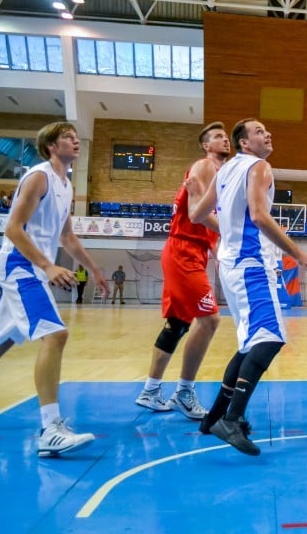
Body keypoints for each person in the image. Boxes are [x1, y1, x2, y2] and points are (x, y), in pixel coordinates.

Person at [188, 118, 307, 455]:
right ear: (244, 143)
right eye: (260, 131)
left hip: (231, 265)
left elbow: (196, 215)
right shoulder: (259, 166)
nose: (268, 134)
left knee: (250, 344)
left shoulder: (225, 171)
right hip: (251, 265)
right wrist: (298, 252)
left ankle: (215, 416)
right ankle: (232, 419)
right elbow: (260, 216)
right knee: (270, 338)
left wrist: (196, 196)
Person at [0, 121, 109, 457]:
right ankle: (49, 429)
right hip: (20, 266)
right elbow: (13, 229)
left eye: (76, 137)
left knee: (0, 342)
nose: (75, 141)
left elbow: (67, 236)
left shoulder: (65, 184)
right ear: (51, 146)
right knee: (55, 335)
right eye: (68, 138)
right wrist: (47, 265)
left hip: (32, 268)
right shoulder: (39, 177)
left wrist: (94, 269)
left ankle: (51, 426)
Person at [134, 122, 231, 420]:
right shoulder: (204, 166)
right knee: (210, 320)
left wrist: (223, 251)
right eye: (217, 136)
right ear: (206, 145)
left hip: (195, 251)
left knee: (177, 325)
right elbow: (197, 215)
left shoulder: (222, 177)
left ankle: (150, 391)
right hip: (183, 249)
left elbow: (211, 227)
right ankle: (184, 392)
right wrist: (235, 233)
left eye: (226, 136)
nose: (224, 139)